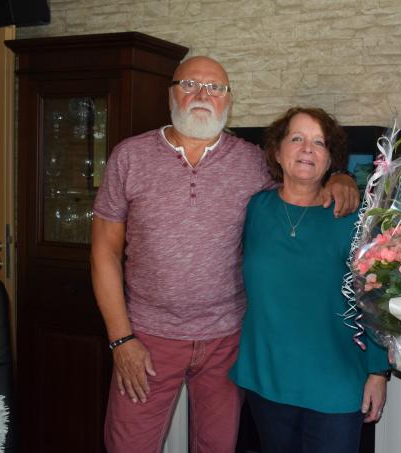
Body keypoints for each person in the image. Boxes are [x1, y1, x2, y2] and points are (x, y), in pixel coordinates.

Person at [90, 57, 359, 453]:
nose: (202, 95)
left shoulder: (252, 161)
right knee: (127, 445)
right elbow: (104, 252)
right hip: (148, 337)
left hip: (227, 340)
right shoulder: (129, 157)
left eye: (215, 88)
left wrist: (341, 176)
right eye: (190, 84)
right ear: (171, 93)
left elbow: (304, 177)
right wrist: (121, 340)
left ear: (228, 100)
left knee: (217, 446)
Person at [229, 107, 391, 453]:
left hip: (336, 379)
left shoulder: (353, 220)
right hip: (267, 378)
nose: (307, 149)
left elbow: (375, 299)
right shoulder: (254, 209)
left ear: (331, 158)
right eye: (297, 138)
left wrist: (378, 372)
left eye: (319, 143)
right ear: (276, 150)